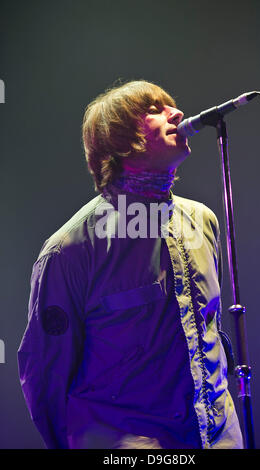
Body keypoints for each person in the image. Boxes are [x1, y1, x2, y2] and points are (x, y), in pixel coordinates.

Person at [17, 80, 243, 449]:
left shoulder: (202, 220)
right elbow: (46, 377)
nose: (178, 113)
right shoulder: (69, 251)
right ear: (119, 140)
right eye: (154, 109)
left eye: (171, 104)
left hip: (219, 437)